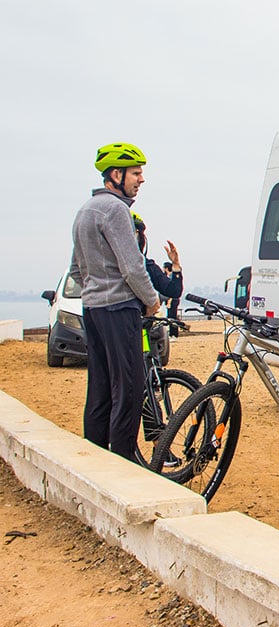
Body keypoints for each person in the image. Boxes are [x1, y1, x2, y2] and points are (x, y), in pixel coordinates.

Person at [69, 143, 160, 462]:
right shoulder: (115, 210)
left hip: (93, 309)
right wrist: (151, 301)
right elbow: (132, 265)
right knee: (130, 387)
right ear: (115, 175)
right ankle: (122, 459)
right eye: (136, 173)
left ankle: (95, 455)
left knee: (101, 386)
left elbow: (75, 271)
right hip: (120, 309)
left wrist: (96, 288)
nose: (141, 179)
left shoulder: (85, 211)